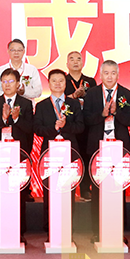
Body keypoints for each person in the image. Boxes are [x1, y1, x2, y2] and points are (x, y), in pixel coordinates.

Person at [82, 60, 130, 244]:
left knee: (118, 190)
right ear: (100, 74)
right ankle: (97, 231)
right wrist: (102, 114)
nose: (110, 76)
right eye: (106, 73)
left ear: (118, 75)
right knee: (98, 190)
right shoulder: (92, 93)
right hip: (97, 148)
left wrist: (117, 113)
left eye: (113, 73)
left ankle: (118, 231)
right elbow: (86, 120)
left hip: (119, 148)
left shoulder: (126, 94)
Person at [0, 68, 35, 245]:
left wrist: (17, 119)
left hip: (19, 153)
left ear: (18, 84)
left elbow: (30, 128)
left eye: (11, 81)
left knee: (19, 194)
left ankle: (19, 232)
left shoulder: (26, 104)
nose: (7, 85)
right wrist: (4, 119)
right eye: (4, 81)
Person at [34, 69, 85, 233]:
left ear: (65, 83)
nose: (57, 84)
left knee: (68, 190)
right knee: (50, 189)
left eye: (61, 81)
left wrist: (65, 126)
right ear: (48, 83)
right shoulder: (42, 105)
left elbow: (80, 127)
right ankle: (49, 227)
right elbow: (37, 129)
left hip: (70, 152)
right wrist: (54, 128)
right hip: (49, 153)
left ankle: (67, 227)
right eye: (54, 80)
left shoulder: (74, 104)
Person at [63, 50, 96, 201]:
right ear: (67, 63)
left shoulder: (90, 81)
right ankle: (68, 189)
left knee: (87, 157)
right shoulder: (63, 80)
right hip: (69, 124)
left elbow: (96, 100)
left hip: (87, 123)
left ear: (83, 63)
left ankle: (85, 189)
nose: (75, 62)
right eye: (72, 59)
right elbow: (58, 99)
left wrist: (85, 96)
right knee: (70, 158)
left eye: (78, 59)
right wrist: (74, 96)